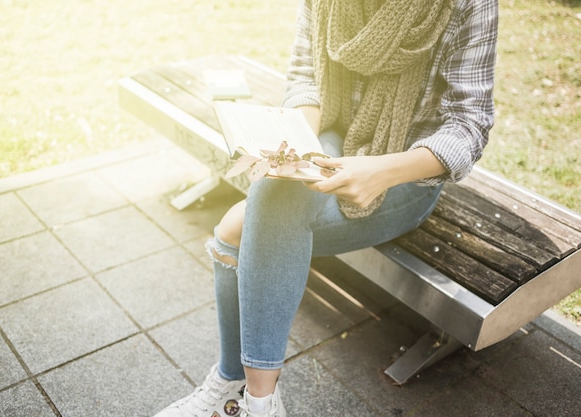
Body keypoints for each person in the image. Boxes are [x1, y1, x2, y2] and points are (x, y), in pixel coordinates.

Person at [153, 0, 498, 416]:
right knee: (270, 194)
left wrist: (381, 172)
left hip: (407, 170)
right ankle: (256, 400)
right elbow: (306, 77)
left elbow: (468, 124)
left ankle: (242, 390)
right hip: (331, 135)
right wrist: (296, 147)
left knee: (234, 229)